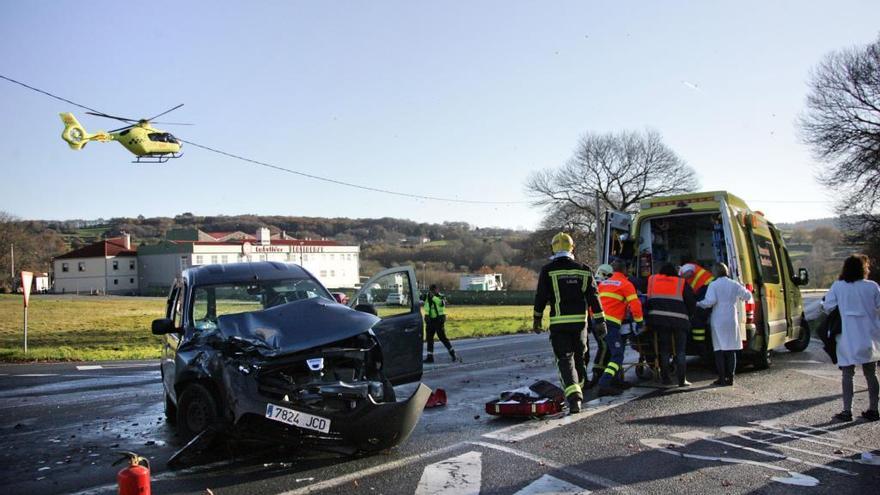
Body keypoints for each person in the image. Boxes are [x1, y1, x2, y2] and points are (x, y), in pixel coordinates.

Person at [533, 232, 607, 413]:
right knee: (580, 358)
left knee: (564, 360)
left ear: (553, 248)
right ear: (572, 248)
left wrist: (537, 318)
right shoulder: (584, 269)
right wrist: (600, 321)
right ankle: (579, 389)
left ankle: (574, 398)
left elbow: (541, 296)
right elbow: (594, 297)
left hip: (559, 323)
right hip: (580, 324)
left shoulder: (548, 270)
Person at [822, 254, 880, 422]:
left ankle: (847, 411)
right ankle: (874, 409)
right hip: (869, 336)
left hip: (847, 336)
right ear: (864, 269)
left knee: (848, 374)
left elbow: (827, 306)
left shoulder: (839, 286)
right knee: (871, 373)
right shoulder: (872, 287)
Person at [696, 263, 752, 386]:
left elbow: (710, 302)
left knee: (719, 350)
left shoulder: (713, 285)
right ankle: (730, 377)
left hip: (718, 320)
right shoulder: (734, 284)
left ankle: (721, 378)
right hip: (732, 319)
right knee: (731, 349)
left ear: (715, 272)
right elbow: (748, 295)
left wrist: (698, 304)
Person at [595, 260, 644, 396]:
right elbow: (635, 305)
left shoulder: (603, 283)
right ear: (625, 271)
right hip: (611, 323)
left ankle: (616, 380)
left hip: (598, 322)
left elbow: (593, 301)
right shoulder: (626, 284)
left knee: (612, 351)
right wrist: (640, 322)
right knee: (617, 354)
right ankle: (604, 383)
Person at [646, 263, 696, 387]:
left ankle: (666, 379)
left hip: (660, 321)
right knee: (680, 351)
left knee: (664, 350)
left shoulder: (653, 280)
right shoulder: (681, 282)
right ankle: (681, 380)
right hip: (679, 321)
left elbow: (647, 300)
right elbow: (691, 302)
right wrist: (689, 315)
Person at [679, 262, 714, 349]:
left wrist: (679, 279)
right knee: (698, 315)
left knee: (698, 316)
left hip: (707, 286)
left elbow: (690, 273)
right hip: (704, 289)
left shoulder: (685, 267)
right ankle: (700, 343)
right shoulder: (684, 274)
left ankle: (699, 344)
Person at [423, 284, 457, 363]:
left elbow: (441, 304)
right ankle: (430, 357)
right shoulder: (428, 297)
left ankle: (453, 354)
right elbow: (426, 305)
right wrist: (427, 314)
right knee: (429, 339)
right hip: (430, 321)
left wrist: (433, 298)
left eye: (434, 290)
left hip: (438, 321)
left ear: (437, 290)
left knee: (443, 338)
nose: (432, 292)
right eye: (431, 290)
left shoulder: (441, 297)